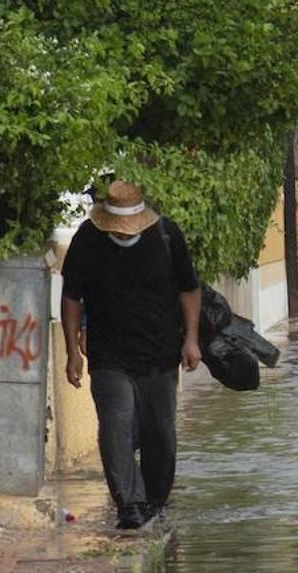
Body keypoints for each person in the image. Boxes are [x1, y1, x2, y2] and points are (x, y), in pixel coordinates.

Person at [60, 180, 202, 530]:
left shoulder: (167, 236)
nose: (122, 236)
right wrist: (72, 352)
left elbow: (189, 289)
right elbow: (71, 297)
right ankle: (129, 503)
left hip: (160, 352)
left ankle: (155, 500)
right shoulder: (87, 239)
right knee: (116, 426)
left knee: (160, 433)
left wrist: (192, 340)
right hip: (108, 354)